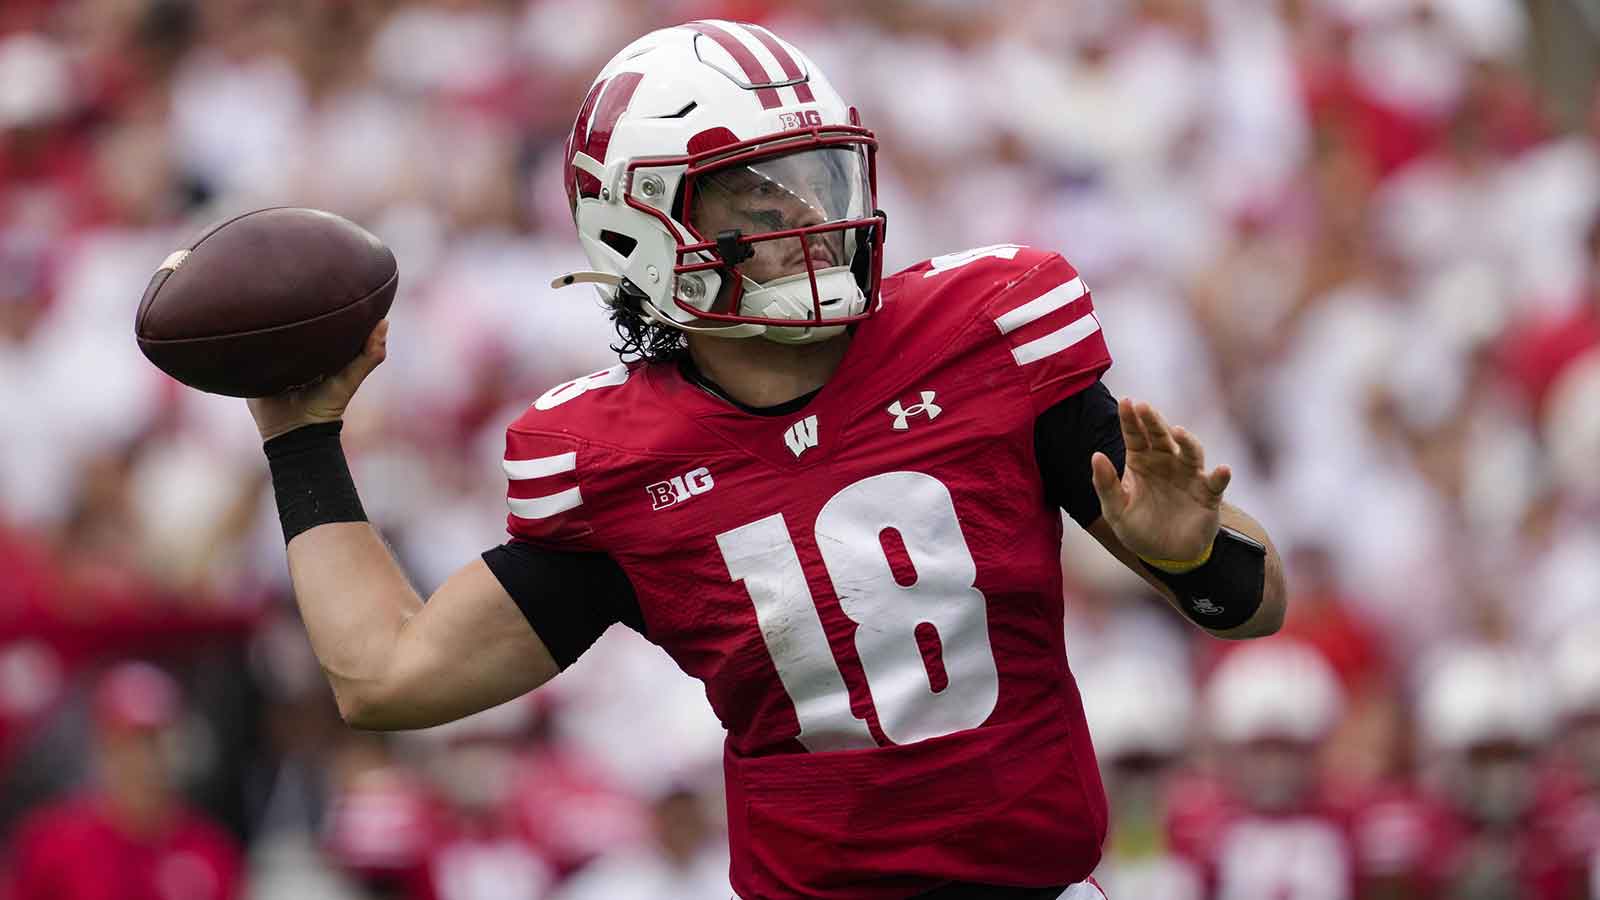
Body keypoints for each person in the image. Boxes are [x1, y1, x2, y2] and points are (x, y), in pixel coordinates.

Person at [245, 20, 1286, 900]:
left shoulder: (985, 338)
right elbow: (385, 673)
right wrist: (300, 437)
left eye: (816, 178)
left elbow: (1259, 603)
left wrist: (1197, 563)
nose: (807, 222)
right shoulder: (615, 466)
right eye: (755, 197)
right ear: (638, 226)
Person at [3, 661, 244, 900]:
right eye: (127, 744)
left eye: (155, 743)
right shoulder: (54, 844)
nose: (144, 760)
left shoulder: (209, 851)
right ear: (103, 748)